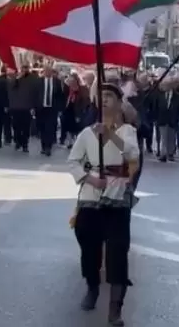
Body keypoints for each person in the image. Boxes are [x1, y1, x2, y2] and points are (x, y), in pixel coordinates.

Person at [68, 82, 139, 326]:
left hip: (118, 196)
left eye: (110, 96)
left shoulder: (127, 131)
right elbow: (73, 161)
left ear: (120, 103)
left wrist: (109, 135)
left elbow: (132, 155)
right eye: (102, 96)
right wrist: (89, 178)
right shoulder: (87, 133)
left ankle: (115, 308)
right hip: (91, 193)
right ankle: (92, 285)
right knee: (88, 242)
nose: (105, 100)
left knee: (118, 252)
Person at [35, 66, 67, 156]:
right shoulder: (39, 82)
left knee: (50, 127)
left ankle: (48, 147)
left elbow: (61, 96)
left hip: (52, 109)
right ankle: (43, 146)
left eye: (50, 71)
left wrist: (60, 109)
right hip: (41, 108)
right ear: (44, 72)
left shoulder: (56, 82)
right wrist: (33, 107)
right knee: (42, 128)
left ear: (52, 73)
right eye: (46, 71)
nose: (48, 73)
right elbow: (34, 95)